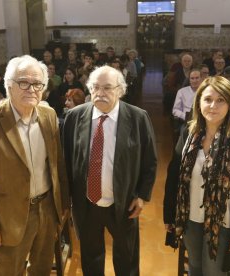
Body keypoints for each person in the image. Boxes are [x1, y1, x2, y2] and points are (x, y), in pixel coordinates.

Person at [0, 55, 69, 275]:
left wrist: (62, 205)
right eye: (23, 82)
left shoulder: (48, 115)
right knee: (9, 271)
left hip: (47, 209)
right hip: (9, 215)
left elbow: (57, 164)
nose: (31, 89)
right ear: (8, 85)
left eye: (38, 84)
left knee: (42, 268)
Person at [63, 65, 157, 275]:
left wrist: (142, 196)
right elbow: (67, 160)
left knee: (126, 258)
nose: (100, 93)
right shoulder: (74, 117)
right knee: (91, 257)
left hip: (124, 203)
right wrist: (68, 199)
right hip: (87, 203)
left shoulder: (138, 117)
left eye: (107, 88)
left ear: (120, 90)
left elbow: (150, 161)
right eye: (95, 87)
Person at [164, 76, 230, 276]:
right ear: (199, 102)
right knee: (195, 267)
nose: (213, 106)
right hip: (191, 217)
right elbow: (174, 175)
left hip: (222, 221)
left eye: (220, 100)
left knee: (213, 271)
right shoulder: (189, 133)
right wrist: (169, 214)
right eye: (207, 99)